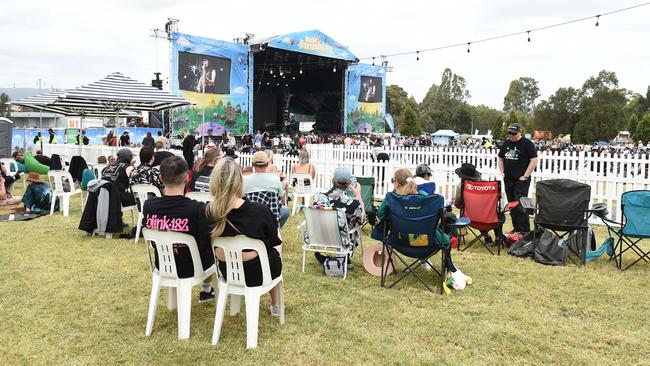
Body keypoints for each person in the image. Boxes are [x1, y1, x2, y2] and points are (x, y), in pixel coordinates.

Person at [206, 158, 283, 316]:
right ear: (240, 181)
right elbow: (274, 242)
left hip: (229, 272)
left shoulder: (208, 212)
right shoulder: (260, 211)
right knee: (276, 242)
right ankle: (276, 305)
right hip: (262, 274)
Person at [375, 168, 471, 289]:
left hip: (399, 241)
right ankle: (446, 269)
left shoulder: (391, 199)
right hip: (427, 243)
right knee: (445, 240)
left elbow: (380, 216)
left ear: (396, 183)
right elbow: (440, 218)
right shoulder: (429, 198)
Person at [142, 156, 216, 302]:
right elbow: (206, 241)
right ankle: (206, 289)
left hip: (162, 264)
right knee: (209, 248)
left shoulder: (149, 206)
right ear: (187, 178)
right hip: (192, 267)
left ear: (161, 178)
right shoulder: (197, 209)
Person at [312, 167, 365, 269]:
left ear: (333, 180)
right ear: (349, 183)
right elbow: (362, 219)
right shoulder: (353, 203)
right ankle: (344, 256)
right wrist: (358, 195)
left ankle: (341, 258)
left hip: (320, 234)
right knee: (356, 225)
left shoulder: (319, 195)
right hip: (341, 238)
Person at [498, 123, 538, 234]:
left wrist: (525, 176)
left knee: (521, 205)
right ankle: (516, 228)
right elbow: (500, 158)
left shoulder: (527, 143)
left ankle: (524, 231)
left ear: (519, 132)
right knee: (511, 205)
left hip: (521, 180)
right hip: (508, 179)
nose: (511, 135)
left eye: (513, 133)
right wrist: (502, 172)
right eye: (509, 133)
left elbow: (534, 160)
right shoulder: (506, 143)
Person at [243, 151, 290, 227]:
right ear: (267, 164)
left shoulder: (244, 180)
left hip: (249, 218)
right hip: (270, 217)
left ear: (253, 164)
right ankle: (274, 230)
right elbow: (281, 195)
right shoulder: (275, 179)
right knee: (285, 210)